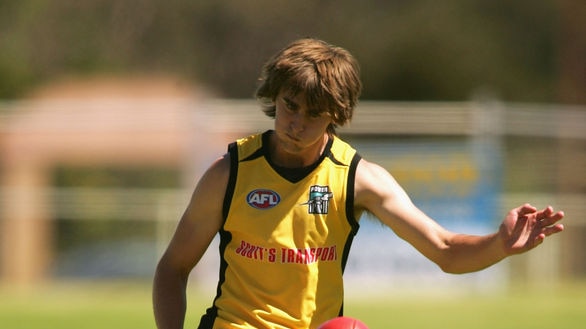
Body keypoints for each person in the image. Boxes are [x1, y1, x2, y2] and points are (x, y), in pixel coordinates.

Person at [152, 38, 565, 329]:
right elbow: (174, 267)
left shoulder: (358, 179)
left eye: (312, 113)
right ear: (273, 98)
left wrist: (499, 243)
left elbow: (444, 250)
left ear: (336, 114)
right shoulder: (230, 173)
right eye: (288, 106)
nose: (295, 123)